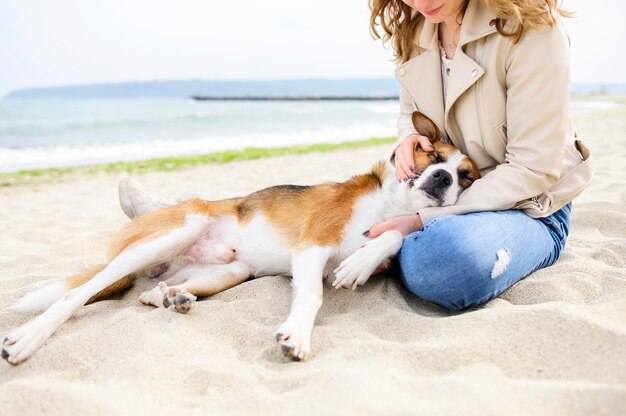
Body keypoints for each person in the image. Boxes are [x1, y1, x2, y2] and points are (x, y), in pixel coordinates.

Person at [119, 0, 592, 311]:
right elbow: (414, 118)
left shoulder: (532, 30)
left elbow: (534, 168)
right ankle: (178, 217)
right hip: (437, 192)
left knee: (442, 264)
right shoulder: (417, 27)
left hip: (529, 206)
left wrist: (420, 224)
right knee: (348, 223)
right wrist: (408, 139)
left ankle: (186, 220)